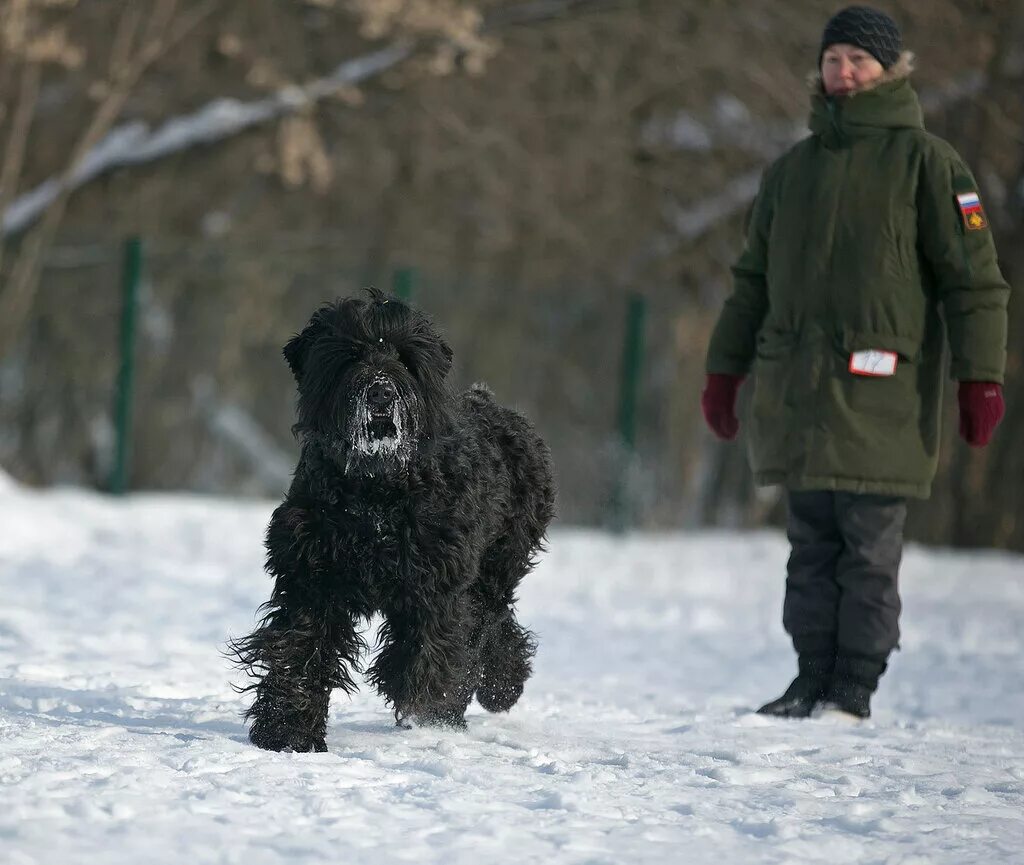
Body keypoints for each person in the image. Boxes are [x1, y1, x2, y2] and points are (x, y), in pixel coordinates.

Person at [701, 6, 1010, 720]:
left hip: (882, 393)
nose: (843, 73)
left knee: (868, 550)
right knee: (809, 545)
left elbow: (975, 283)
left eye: (859, 61)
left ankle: (854, 685)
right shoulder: (790, 172)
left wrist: (980, 378)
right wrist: (726, 370)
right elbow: (751, 283)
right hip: (798, 393)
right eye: (833, 59)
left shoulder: (930, 165)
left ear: (890, 70)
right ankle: (811, 675)